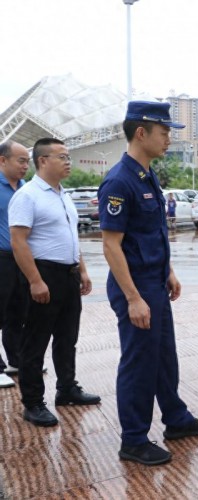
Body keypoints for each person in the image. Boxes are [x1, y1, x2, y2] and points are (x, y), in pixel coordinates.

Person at [99, 101, 198, 466]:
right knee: (139, 362)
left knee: (164, 355)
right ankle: (133, 439)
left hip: (154, 281)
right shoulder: (119, 180)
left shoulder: (145, 174)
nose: (169, 139)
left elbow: (149, 233)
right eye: (164, 133)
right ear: (141, 133)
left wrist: (167, 272)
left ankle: (176, 419)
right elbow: (111, 244)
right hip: (135, 286)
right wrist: (134, 298)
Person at [9, 138, 100, 428]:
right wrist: (35, 281)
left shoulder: (63, 195)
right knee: (35, 342)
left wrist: (82, 270)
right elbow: (18, 242)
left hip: (69, 274)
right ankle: (33, 403)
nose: (68, 161)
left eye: (68, 156)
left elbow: (71, 236)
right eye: (62, 156)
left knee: (67, 337)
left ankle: (67, 389)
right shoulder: (28, 196)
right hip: (44, 275)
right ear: (43, 160)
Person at [0, 141, 30, 389]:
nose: (25, 166)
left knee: (17, 312)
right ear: (2, 160)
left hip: (21, 258)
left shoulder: (26, 189)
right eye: (21, 160)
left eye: (27, 161)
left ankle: (16, 359)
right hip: (0, 258)